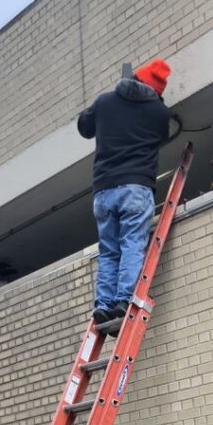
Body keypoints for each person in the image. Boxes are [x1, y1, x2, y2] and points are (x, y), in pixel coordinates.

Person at [77, 58, 172, 324]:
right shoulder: (159, 113)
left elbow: (84, 127)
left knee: (109, 249)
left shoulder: (106, 102)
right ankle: (124, 299)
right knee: (132, 244)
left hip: (104, 190)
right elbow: (162, 136)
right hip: (136, 187)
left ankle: (103, 303)